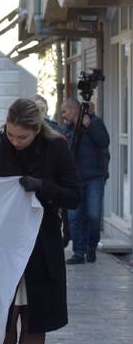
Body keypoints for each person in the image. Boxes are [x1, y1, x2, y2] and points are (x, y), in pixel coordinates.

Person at [0, 98, 80, 344]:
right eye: (11, 134)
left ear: (37, 130)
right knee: (5, 317)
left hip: (41, 246)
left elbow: (73, 195)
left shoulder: (57, 148)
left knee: (36, 319)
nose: (16, 141)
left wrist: (43, 187)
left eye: (22, 137)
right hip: (3, 244)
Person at [60, 98, 110, 264]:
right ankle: (78, 253)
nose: (62, 115)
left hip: (94, 178)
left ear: (74, 110)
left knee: (93, 216)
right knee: (74, 218)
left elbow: (104, 142)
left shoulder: (95, 123)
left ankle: (91, 246)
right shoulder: (66, 130)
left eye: (64, 111)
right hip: (73, 181)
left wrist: (89, 127)